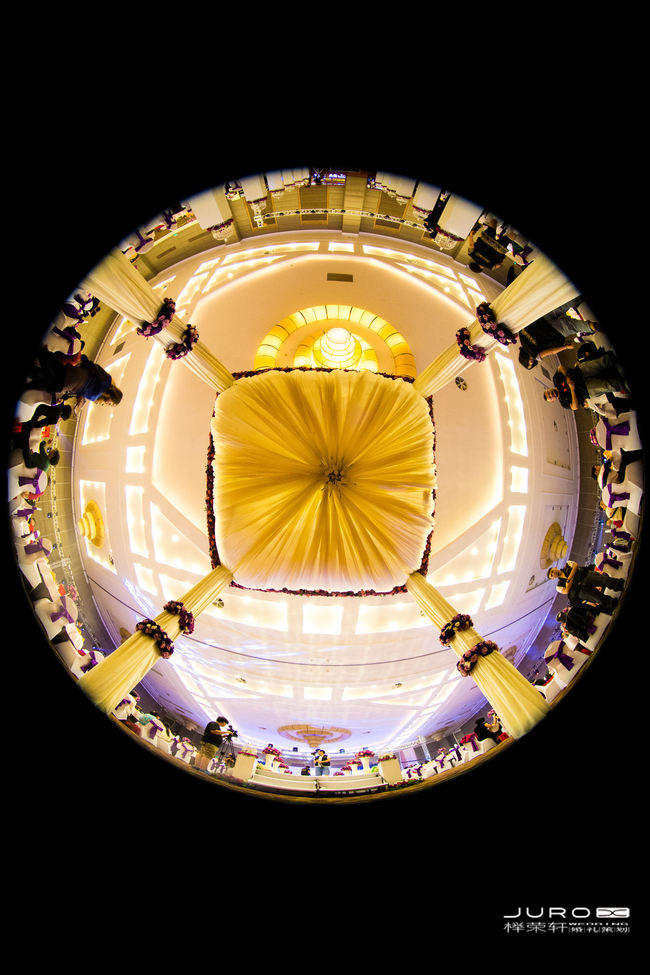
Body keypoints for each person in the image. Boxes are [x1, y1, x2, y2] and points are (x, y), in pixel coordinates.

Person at [24, 346, 123, 411]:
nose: (109, 404)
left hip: (76, 378)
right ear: (113, 397)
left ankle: (42, 355)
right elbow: (94, 369)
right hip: (76, 379)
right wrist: (83, 360)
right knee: (50, 383)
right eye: (111, 404)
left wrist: (79, 398)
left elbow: (85, 389)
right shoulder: (106, 383)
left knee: (52, 371)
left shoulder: (102, 393)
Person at [543, 354, 629, 411]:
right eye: (550, 397)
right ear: (553, 400)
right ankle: (625, 382)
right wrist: (572, 390)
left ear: (549, 389)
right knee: (608, 386)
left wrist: (567, 376)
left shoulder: (555, 380)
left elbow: (560, 367)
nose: (551, 394)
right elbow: (575, 407)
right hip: (586, 389)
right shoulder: (563, 402)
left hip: (580, 372)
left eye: (548, 393)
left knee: (602, 362)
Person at [548, 561, 624, 612]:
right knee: (598, 598)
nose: (553, 574)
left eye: (552, 571)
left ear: (555, 568)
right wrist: (573, 574)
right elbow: (566, 590)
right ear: (553, 578)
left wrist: (568, 580)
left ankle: (621, 585)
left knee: (604, 580)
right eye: (551, 575)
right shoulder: (558, 587)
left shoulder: (567, 563)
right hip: (581, 591)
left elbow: (575, 565)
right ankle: (616, 605)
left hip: (586, 576)